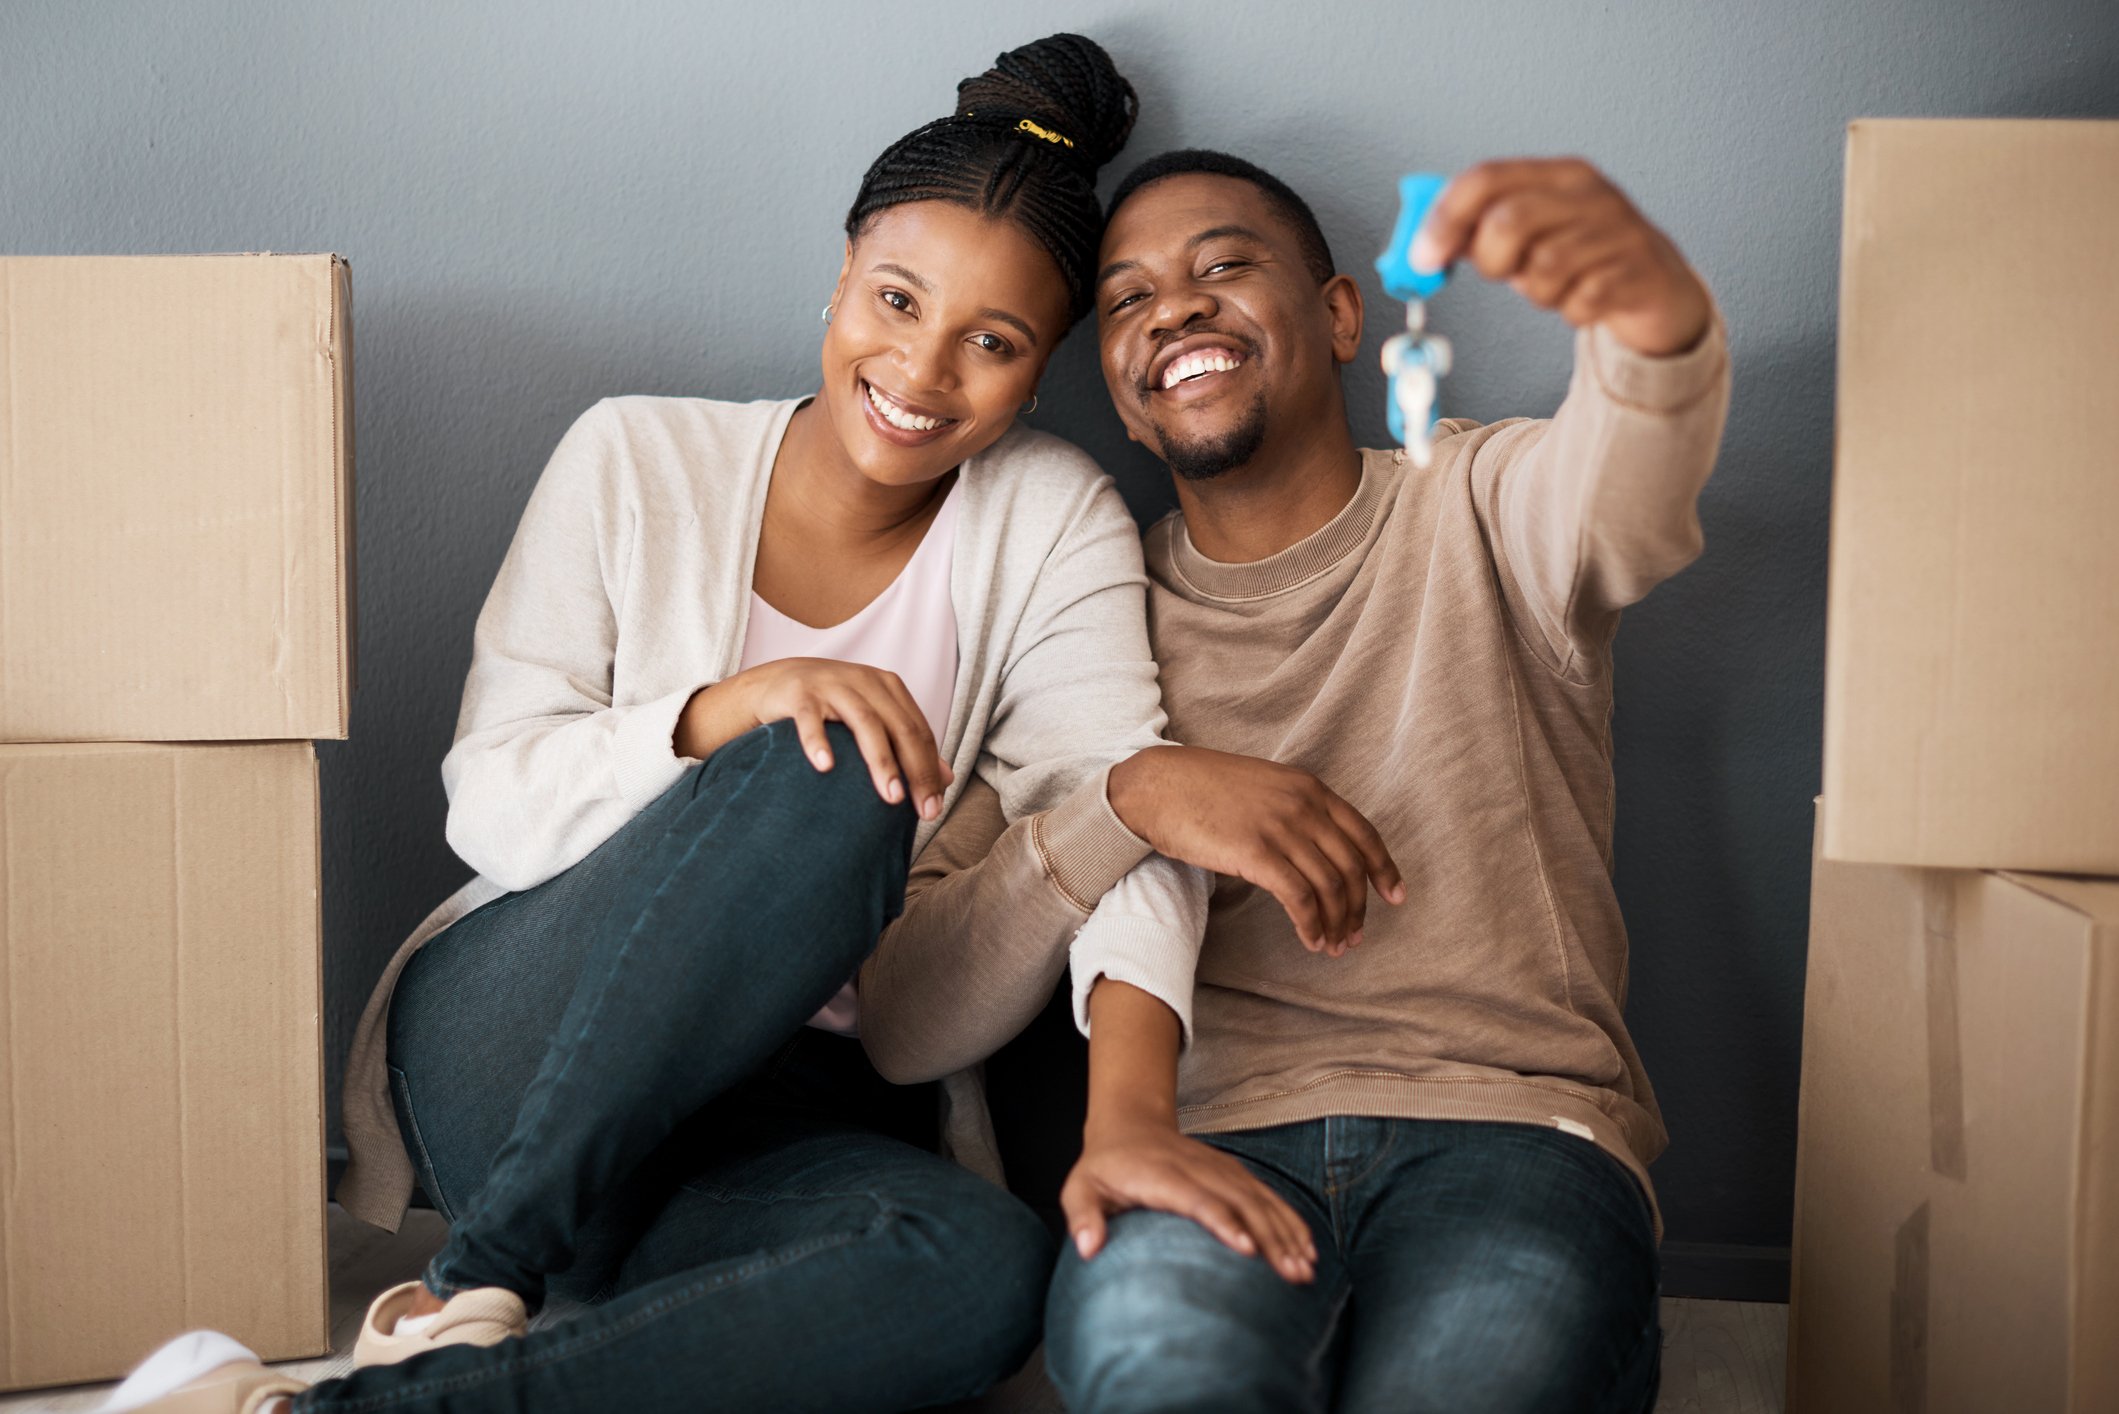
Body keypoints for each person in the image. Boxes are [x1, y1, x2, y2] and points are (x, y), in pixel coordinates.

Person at [99, 42, 1390, 1414]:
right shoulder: (633, 456)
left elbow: (1116, 796)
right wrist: (723, 714)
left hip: (792, 1106)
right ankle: (467, 1282)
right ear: (837, 276)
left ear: (1038, 368)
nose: (922, 368)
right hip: (519, 1050)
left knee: (974, 1265)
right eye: (895, 299)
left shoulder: (1048, 515)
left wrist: (1130, 1075)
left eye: (993, 343)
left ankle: (317, 1406)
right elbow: (488, 798)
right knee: (838, 768)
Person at [864, 150, 1731, 1413]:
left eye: (1222, 267)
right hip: (1203, 1145)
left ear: (1337, 315)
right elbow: (904, 1012)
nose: (1174, 308)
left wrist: (1648, 313)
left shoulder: (1482, 506)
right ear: (1111, 376)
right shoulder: (1074, 624)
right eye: (1125, 300)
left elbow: (1635, 478)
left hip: (1511, 1133)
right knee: (1167, 1375)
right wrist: (1130, 799)